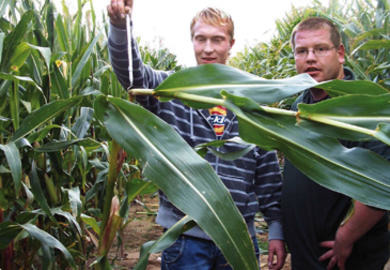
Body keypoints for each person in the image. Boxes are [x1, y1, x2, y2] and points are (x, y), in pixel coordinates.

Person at [107, 1, 286, 269]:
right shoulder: (170, 91)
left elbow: (267, 171)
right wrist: (121, 26)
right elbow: (133, 76)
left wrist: (275, 227)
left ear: (231, 43)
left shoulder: (250, 101)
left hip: (238, 238)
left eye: (217, 39)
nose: (208, 48)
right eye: (200, 39)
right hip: (185, 238)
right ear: (192, 41)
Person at [281, 17, 390, 270]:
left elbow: (382, 183)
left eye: (320, 49)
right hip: (306, 257)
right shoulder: (298, 106)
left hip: (345, 259)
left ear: (340, 54)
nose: (310, 58)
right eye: (302, 51)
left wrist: (347, 235)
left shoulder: (364, 106)